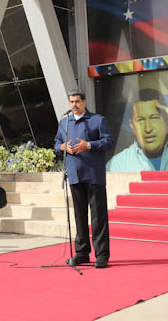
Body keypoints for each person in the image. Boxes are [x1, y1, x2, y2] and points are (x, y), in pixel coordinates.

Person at [54, 90, 114, 269]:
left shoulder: (97, 120)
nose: (74, 105)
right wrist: (64, 146)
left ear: (84, 102)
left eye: (77, 101)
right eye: (71, 101)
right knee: (79, 216)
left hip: (94, 174)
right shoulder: (65, 123)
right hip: (74, 174)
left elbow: (109, 142)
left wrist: (89, 145)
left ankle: (102, 254)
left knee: (98, 217)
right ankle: (81, 253)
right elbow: (57, 144)